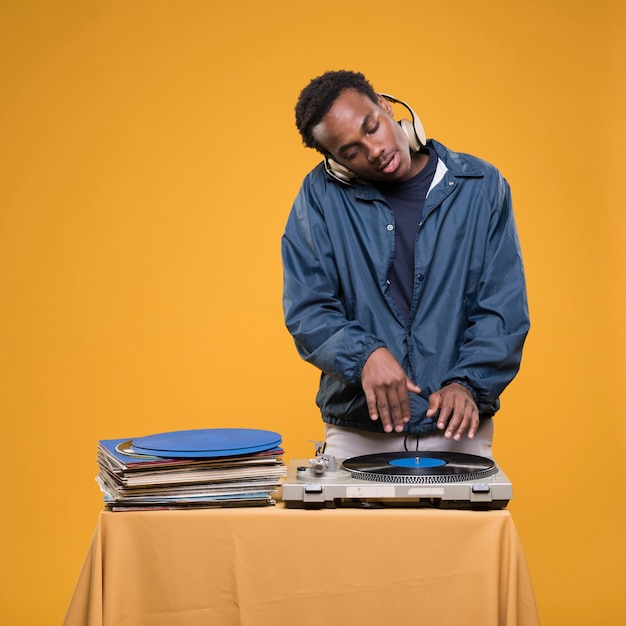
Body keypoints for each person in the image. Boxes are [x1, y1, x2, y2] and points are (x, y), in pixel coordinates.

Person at [281, 70, 529, 459]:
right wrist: (364, 356)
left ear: (384, 104)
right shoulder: (320, 197)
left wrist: (468, 383)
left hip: (458, 427)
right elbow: (308, 308)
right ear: (335, 163)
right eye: (350, 151)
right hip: (358, 430)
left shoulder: (481, 185)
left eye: (372, 127)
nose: (374, 150)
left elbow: (503, 306)